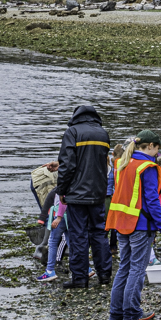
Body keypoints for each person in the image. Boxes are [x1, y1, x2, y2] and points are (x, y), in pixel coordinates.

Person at [106, 130, 161, 320]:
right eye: (157, 148)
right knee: (137, 269)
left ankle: (116, 313)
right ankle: (132, 312)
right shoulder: (147, 167)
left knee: (124, 267)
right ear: (150, 146)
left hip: (121, 222)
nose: (158, 153)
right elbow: (152, 200)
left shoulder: (123, 163)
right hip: (141, 224)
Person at [55, 105, 112, 289]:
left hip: (77, 194)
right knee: (99, 232)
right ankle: (104, 274)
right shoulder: (103, 134)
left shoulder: (72, 132)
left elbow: (67, 165)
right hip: (98, 192)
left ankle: (80, 277)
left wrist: (61, 190)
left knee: (78, 234)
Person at [36, 195, 67, 282]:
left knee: (52, 241)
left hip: (61, 214)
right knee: (70, 241)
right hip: (70, 214)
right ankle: (86, 269)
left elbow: (63, 197)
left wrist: (59, 217)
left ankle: (50, 271)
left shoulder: (62, 187)